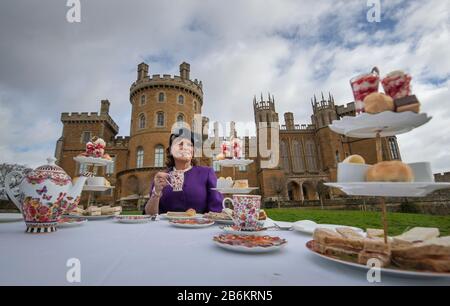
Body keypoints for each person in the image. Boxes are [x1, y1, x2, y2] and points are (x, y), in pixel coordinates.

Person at [144, 128, 223, 215]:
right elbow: (149, 215)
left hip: (198, 227)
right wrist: (156, 192)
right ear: (170, 151)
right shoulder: (161, 177)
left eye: (189, 145)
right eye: (179, 144)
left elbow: (217, 210)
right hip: (166, 228)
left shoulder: (206, 173)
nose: (184, 147)